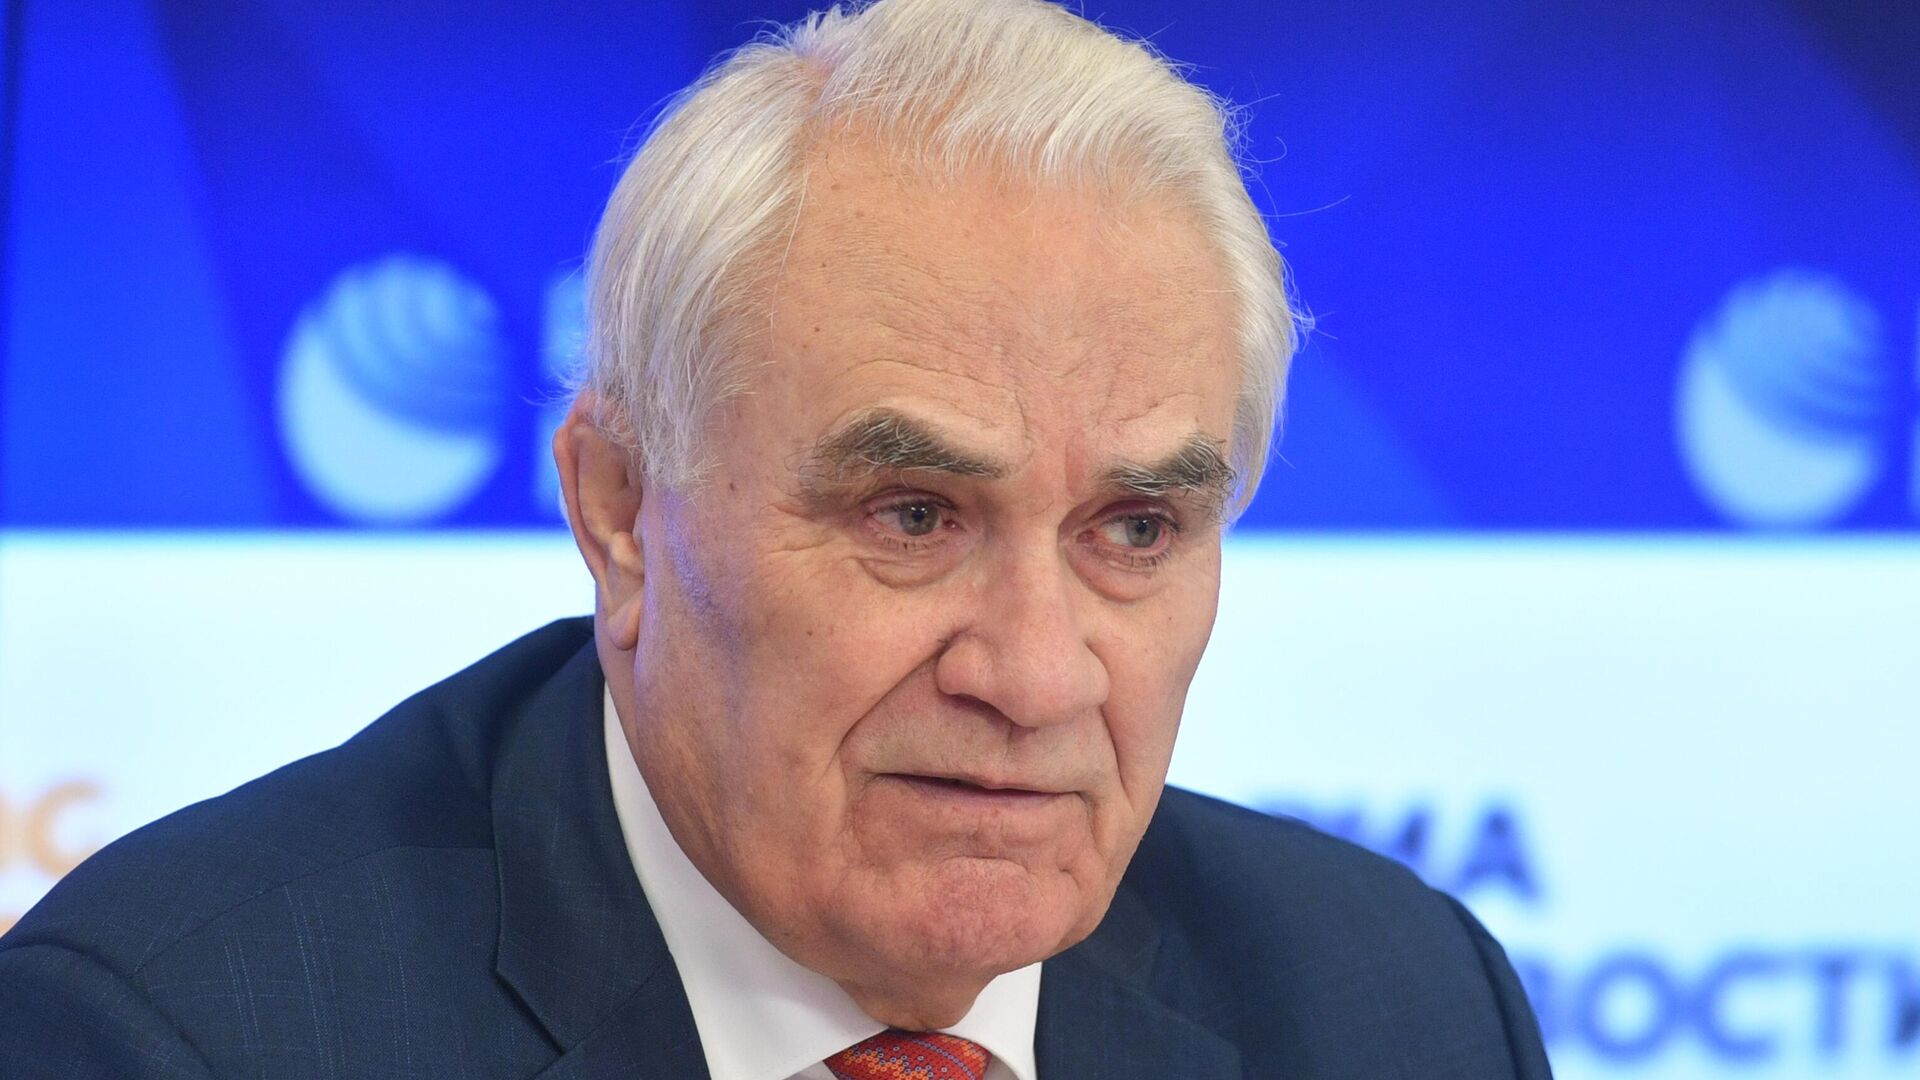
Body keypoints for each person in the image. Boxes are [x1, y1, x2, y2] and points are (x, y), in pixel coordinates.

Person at [0, 1, 1551, 1076]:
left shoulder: (1396, 1013)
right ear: (620, 508)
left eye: (1134, 529)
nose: (1035, 676)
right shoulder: (177, 1036)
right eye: (914, 516)